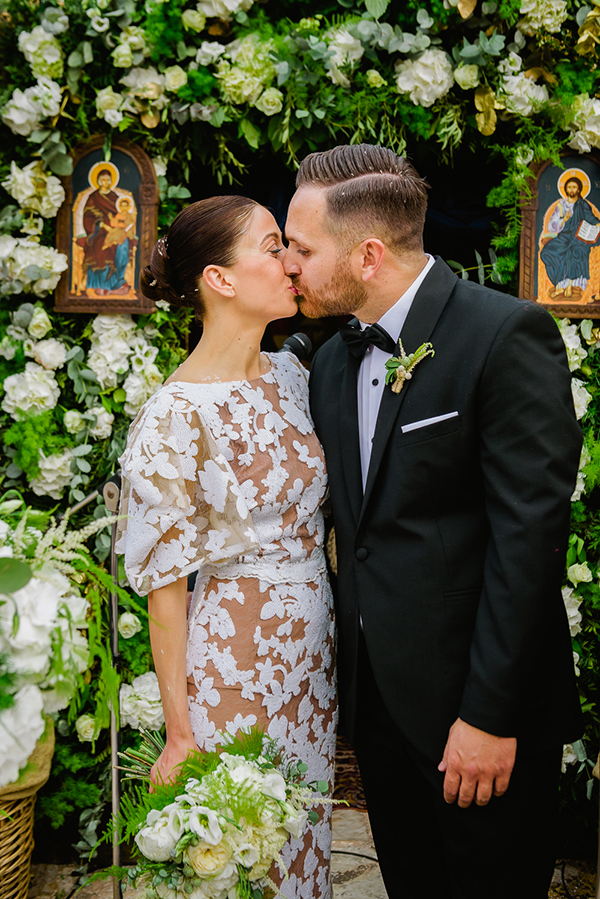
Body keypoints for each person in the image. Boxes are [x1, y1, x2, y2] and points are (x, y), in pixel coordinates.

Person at [283, 143, 583, 898]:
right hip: (379, 714)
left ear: (369, 253)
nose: (289, 263)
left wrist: (488, 715)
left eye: (302, 247)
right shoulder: (329, 362)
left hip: (479, 719)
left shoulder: (505, 335)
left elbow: (530, 540)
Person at [115, 196, 337, 898]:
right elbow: (166, 588)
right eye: (273, 246)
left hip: (314, 664)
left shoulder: (295, 378)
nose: (291, 262)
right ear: (221, 279)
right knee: (245, 855)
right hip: (234, 668)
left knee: (304, 841)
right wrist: (180, 732)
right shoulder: (174, 416)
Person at [540, 175, 600, 299]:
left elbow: (590, 217)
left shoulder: (582, 205)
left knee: (574, 251)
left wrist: (597, 223)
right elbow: (552, 225)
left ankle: (571, 285)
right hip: (563, 237)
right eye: (569, 187)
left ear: (579, 189)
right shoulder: (561, 206)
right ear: (566, 189)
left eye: (574, 187)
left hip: (578, 237)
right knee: (547, 252)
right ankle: (559, 284)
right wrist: (563, 220)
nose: (571, 190)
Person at [82, 169, 130, 295]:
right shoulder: (93, 198)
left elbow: (121, 214)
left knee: (123, 245)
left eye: (108, 179)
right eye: (102, 179)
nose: (105, 182)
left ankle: (116, 282)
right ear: (98, 181)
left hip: (116, 231)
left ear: (111, 181)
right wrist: (100, 224)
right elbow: (87, 216)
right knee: (100, 246)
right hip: (98, 231)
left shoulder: (114, 197)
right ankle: (99, 284)